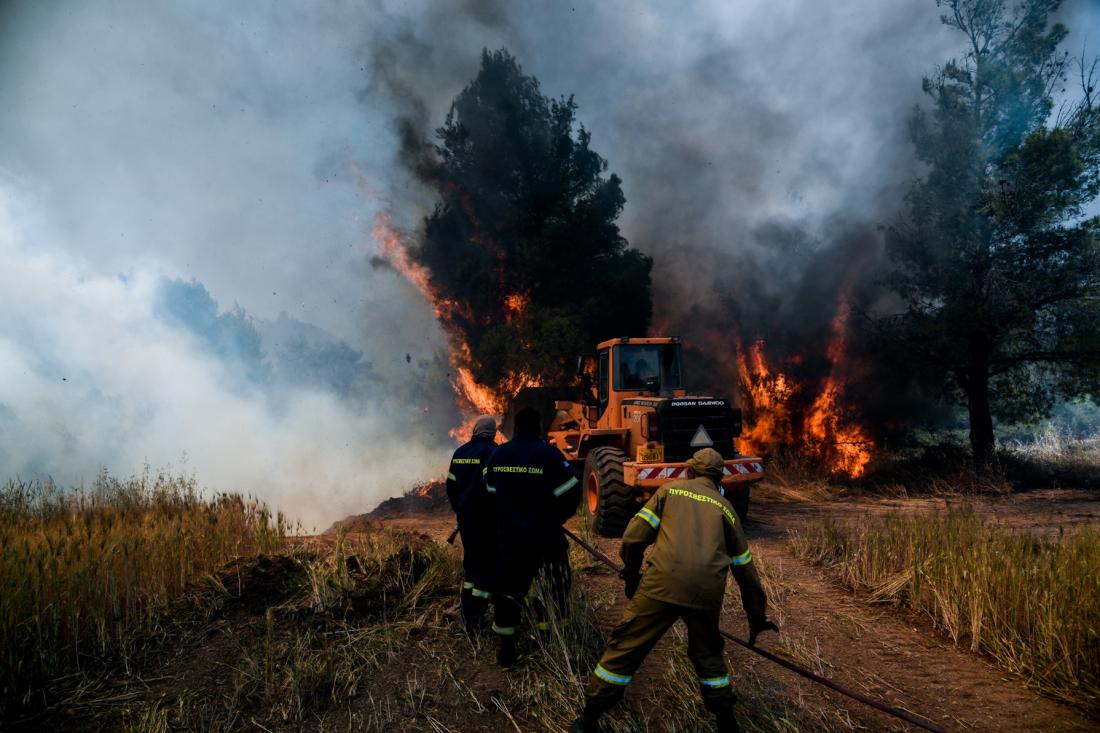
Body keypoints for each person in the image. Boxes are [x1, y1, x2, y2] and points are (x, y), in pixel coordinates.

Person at [571, 447, 778, 733]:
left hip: (661, 584)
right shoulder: (726, 509)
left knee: (626, 647)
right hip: (706, 591)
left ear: (691, 471)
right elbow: (746, 570)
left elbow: (633, 536)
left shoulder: (670, 492)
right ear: (720, 478)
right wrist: (756, 615)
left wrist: (631, 573)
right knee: (708, 655)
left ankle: (588, 720)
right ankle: (727, 723)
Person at [485, 406, 581, 667]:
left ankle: (507, 649)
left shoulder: (498, 455)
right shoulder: (550, 455)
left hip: (510, 541)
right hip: (545, 538)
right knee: (555, 586)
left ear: (515, 428)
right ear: (539, 427)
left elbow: (490, 494)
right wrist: (556, 518)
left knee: (508, 592)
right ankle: (550, 642)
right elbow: (572, 493)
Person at [445, 415, 499, 632]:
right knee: (488, 566)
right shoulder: (493, 453)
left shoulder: (459, 453)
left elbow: (451, 487)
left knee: (472, 564)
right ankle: (478, 614)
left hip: (467, 521)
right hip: (487, 522)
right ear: (493, 433)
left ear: (475, 430)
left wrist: (461, 510)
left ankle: (469, 612)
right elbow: (492, 488)